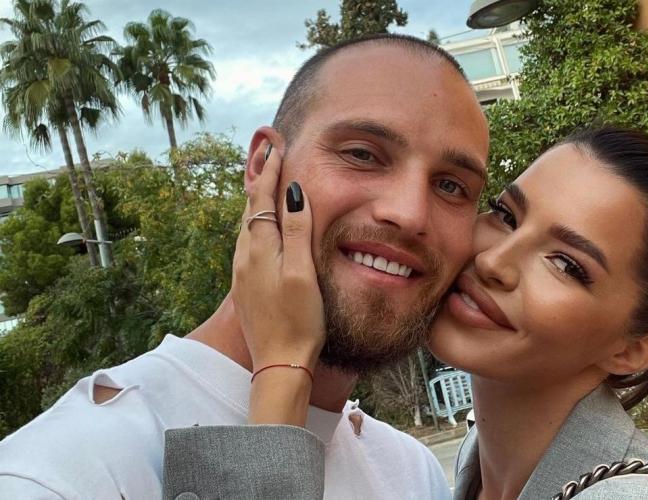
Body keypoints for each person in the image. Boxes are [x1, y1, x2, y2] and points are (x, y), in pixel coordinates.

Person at [0, 34, 489, 499]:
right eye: (362, 154)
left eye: (451, 186)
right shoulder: (57, 478)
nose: (410, 213)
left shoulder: (412, 471)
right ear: (262, 166)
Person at [230, 127, 648, 499]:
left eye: (566, 264)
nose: (493, 261)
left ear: (633, 350)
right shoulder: (480, 465)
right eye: (507, 215)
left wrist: (282, 370)